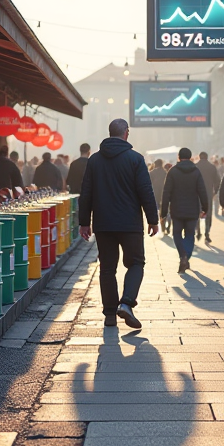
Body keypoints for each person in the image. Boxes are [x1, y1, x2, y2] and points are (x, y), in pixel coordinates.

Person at [78, 119, 158, 329]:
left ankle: (110, 315)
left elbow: (86, 193)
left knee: (107, 268)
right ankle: (127, 303)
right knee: (136, 263)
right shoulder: (135, 159)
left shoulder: (94, 160)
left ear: (110, 133)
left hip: (103, 224)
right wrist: (153, 219)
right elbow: (145, 191)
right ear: (126, 133)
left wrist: (84, 222)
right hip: (130, 223)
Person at [160, 148, 208, 274]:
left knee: (176, 234)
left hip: (177, 210)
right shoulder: (196, 172)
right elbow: (202, 191)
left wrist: (163, 212)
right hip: (192, 210)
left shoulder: (173, 171)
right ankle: (186, 256)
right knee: (190, 234)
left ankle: (183, 256)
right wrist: (205, 208)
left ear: (178, 157)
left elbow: (166, 193)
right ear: (191, 156)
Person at [195, 151, 221, 243]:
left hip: (196, 194)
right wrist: (215, 191)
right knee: (208, 214)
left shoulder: (194, 167)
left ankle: (198, 231)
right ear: (207, 157)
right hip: (208, 194)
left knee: (196, 213)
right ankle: (207, 233)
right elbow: (218, 181)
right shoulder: (212, 167)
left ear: (199, 157)